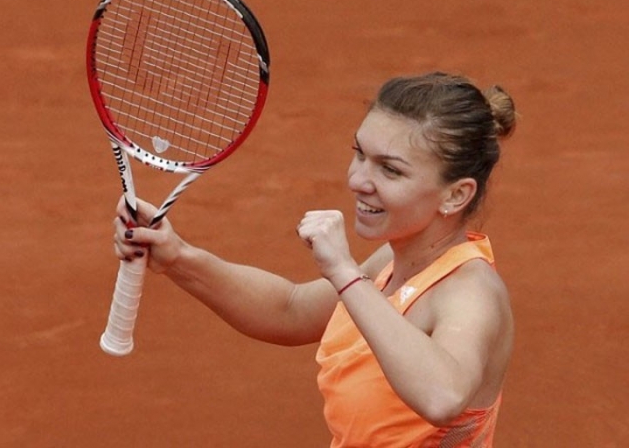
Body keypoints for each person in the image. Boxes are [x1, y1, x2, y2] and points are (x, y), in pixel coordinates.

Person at [112, 71, 517, 447]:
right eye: (359, 154)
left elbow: (442, 396)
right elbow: (290, 310)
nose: (357, 180)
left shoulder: (470, 293)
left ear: (455, 195)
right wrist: (177, 257)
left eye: (390, 171)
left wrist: (344, 272)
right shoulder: (391, 263)